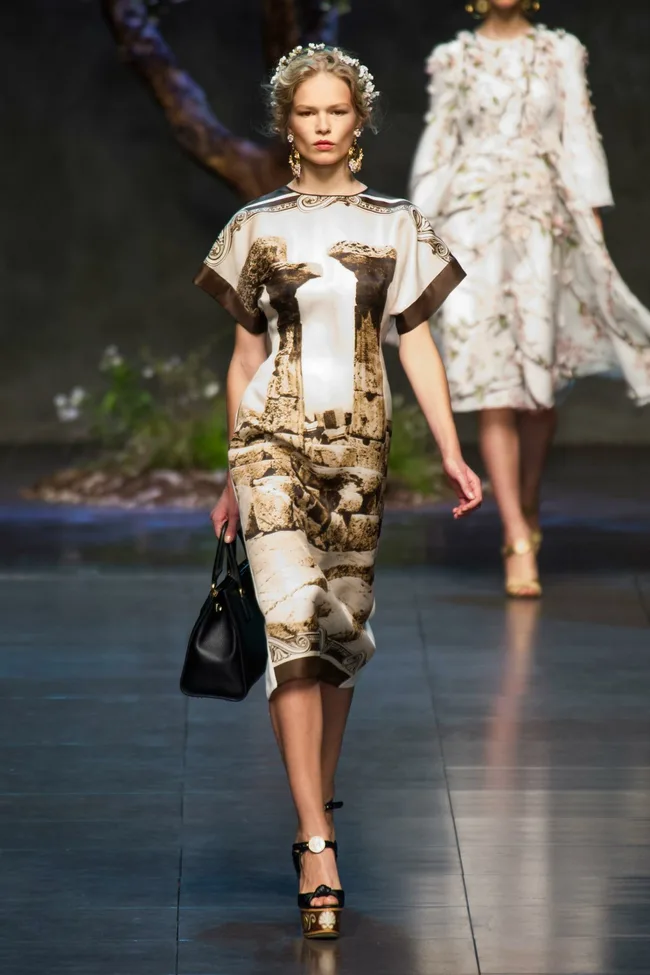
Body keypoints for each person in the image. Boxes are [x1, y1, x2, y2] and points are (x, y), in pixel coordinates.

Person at [193, 43, 482, 939]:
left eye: (337, 112)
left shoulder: (399, 223)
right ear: (289, 124)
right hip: (270, 445)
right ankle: (317, 838)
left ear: (359, 123)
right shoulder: (254, 225)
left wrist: (454, 449)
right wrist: (229, 472)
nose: (322, 126)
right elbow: (246, 355)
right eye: (307, 112)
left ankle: (313, 807)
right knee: (289, 628)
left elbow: (417, 344)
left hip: (361, 453)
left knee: (337, 636)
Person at [410, 0, 650, 597]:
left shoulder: (559, 51)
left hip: (545, 218)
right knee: (494, 385)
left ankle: (529, 494)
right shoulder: (453, 58)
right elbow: (438, 146)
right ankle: (516, 533)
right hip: (472, 221)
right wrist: (418, 229)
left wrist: (590, 222)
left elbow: (580, 135)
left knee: (537, 394)